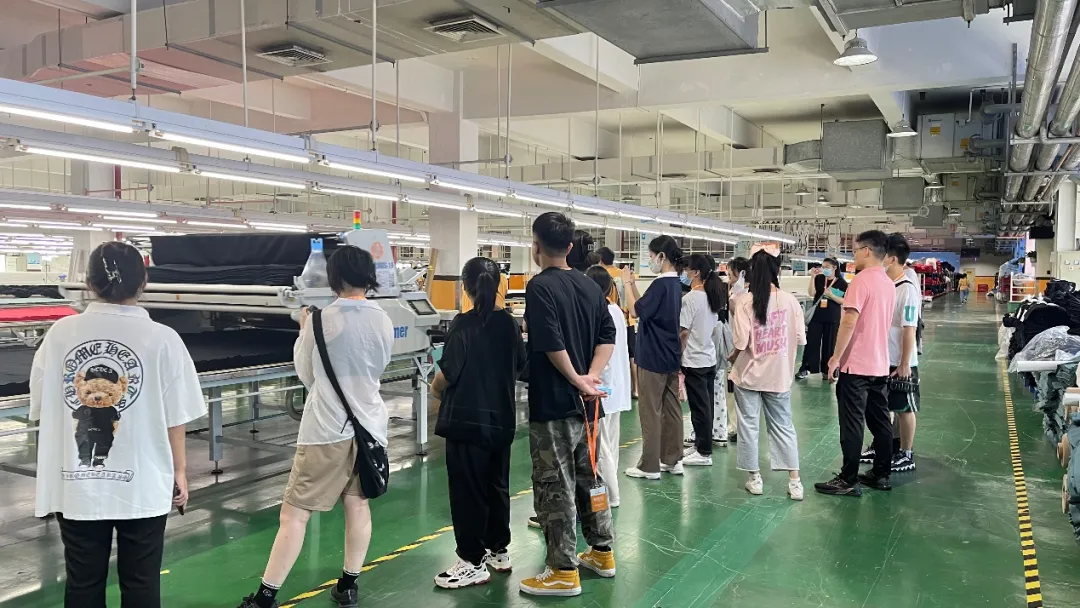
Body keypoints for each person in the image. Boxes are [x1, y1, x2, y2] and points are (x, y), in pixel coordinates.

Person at [29, 241, 203, 608]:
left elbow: (44, 406)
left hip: (75, 486)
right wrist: (180, 472)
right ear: (144, 282)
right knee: (141, 583)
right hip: (143, 484)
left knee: (83, 581)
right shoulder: (164, 340)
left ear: (88, 284)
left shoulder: (60, 334)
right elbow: (176, 416)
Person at [240, 246, 394, 608]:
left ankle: (265, 597)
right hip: (370, 427)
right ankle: (348, 585)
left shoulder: (321, 320)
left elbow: (307, 374)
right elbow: (378, 367)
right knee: (357, 504)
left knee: (294, 514)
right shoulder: (384, 319)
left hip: (327, 430)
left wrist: (303, 329)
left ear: (334, 278)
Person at [519, 212, 616, 597]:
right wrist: (591, 376)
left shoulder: (539, 286)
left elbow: (548, 340)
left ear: (536, 247)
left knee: (554, 484)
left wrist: (575, 378)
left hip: (555, 404)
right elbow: (608, 335)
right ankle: (602, 552)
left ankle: (562, 570)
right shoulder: (590, 285)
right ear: (571, 246)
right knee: (590, 478)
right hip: (588, 407)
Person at [431, 257, 526, 589]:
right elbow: (520, 365)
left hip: (466, 421)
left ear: (465, 287)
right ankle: (498, 550)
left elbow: (447, 373)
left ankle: (472, 560)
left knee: (467, 491)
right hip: (500, 420)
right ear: (499, 284)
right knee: (496, 485)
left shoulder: (463, 325)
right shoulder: (510, 324)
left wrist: (435, 389)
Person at [814, 231, 895, 497]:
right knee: (880, 422)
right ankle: (882, 474)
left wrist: (835, 357)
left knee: (852, 423)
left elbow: (849, 321)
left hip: (856, 365)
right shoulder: (888, 283)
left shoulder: (861, 281)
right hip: (879, 364)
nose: (854, 255)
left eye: (856, 250)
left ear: (867, 251)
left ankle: (848, 479)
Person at [727, 245, 806, 500]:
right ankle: (795, 481)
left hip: (748, 375)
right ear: (778, 270)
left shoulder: (744, 302)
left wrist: (732, 356)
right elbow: (800, 338)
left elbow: (741, 343)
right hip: (779, 376)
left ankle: (755, 478)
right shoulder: (790, 301)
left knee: (748, 426)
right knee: (783, 426)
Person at [621, 236, 685, 480]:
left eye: (650, 256)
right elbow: (644, 307)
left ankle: (649, 466)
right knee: (672, 409)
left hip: (652, 356)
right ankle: (673, 459)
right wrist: (634, 285)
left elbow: (635, 311)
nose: (650, 260)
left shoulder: (660, 285)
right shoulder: (674, 284)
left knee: (650, 412)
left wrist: (626, 284)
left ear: (662, 256)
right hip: (670, 354)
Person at [585, 266, 632, 507]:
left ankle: (611, 495)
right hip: (616, 388)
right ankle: (608, 493)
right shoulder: (616, 310)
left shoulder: (599, 311)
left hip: (604, 389)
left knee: (600, 447)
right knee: (610, 445)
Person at [680, 254, 727, 465]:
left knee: (699, 408)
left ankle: (704, 452)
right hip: (708, 357)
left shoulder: (690, 299)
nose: (685, 273)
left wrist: (678, 356)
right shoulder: (711, 296)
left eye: (687, 269)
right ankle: (700, 444)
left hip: (694, 360)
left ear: (696, 272)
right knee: (706, 405)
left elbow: (683, 332)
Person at [882, 235, 920, 473]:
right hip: (884, 358)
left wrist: (905, 363)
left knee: (905, 409)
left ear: (893, 259)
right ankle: (888, 446)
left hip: (900, 360)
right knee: (887, 407)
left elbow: (909, 329)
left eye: (883, 255)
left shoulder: (906, 289)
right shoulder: (889, 285)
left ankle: (907, 453)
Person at [796, 258, 847, 381]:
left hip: (832, 318)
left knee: (830, 345)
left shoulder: (842, 283)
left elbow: (844, 301)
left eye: (827, 267)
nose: (824, 269)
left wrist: (831, 295)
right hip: (817, 316)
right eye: (823, 267)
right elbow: (811, 293)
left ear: (834, 268)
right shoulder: (819, 278)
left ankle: (827, 370)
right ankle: (805, 368)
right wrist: (812, 277)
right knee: (812, 342)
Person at [597, 247, 637, 399]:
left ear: (600, 260)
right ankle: (635, 389)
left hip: (612, 318)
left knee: (611, 355)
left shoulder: (603, 276)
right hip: (628, 319)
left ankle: (610, 390)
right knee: (631, 355)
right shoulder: (622, 274)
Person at [723, 257, 751, 442]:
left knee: (737, 390)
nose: (728, 274)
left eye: (730, 271)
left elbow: (741, 318)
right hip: (733, 345)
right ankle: (735, 425)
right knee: (732, 390)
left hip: (740, 349)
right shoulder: (734, 292)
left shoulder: (746, 295)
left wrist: (732, 300)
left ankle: (738, 427)